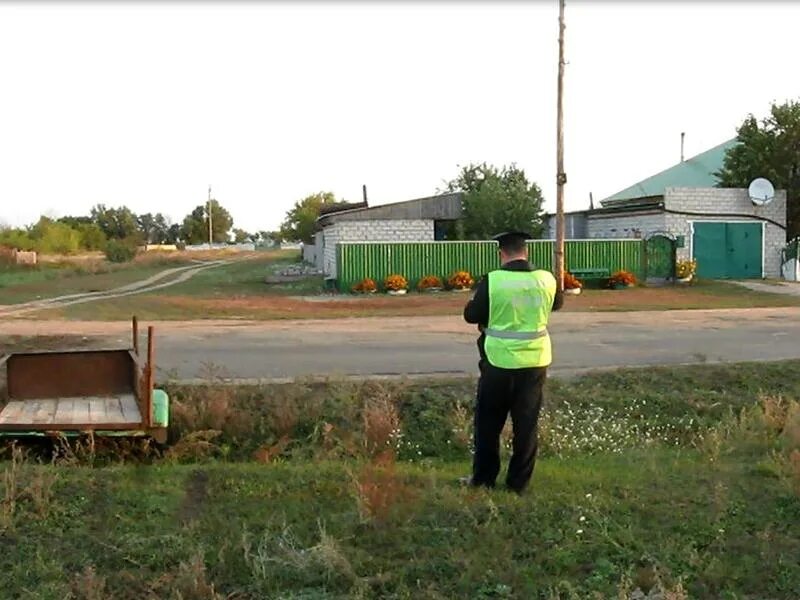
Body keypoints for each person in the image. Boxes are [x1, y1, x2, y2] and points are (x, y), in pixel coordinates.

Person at [461, 231, 564, 494]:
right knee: (526, 425)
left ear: (501, 253)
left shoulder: (494, 280)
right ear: (525, 252)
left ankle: (483, 480)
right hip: (535, 362)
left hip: (499, 362)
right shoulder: (546, 279)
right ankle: (518, 484)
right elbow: (557, 304)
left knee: (488, 424)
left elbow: (472, 315)